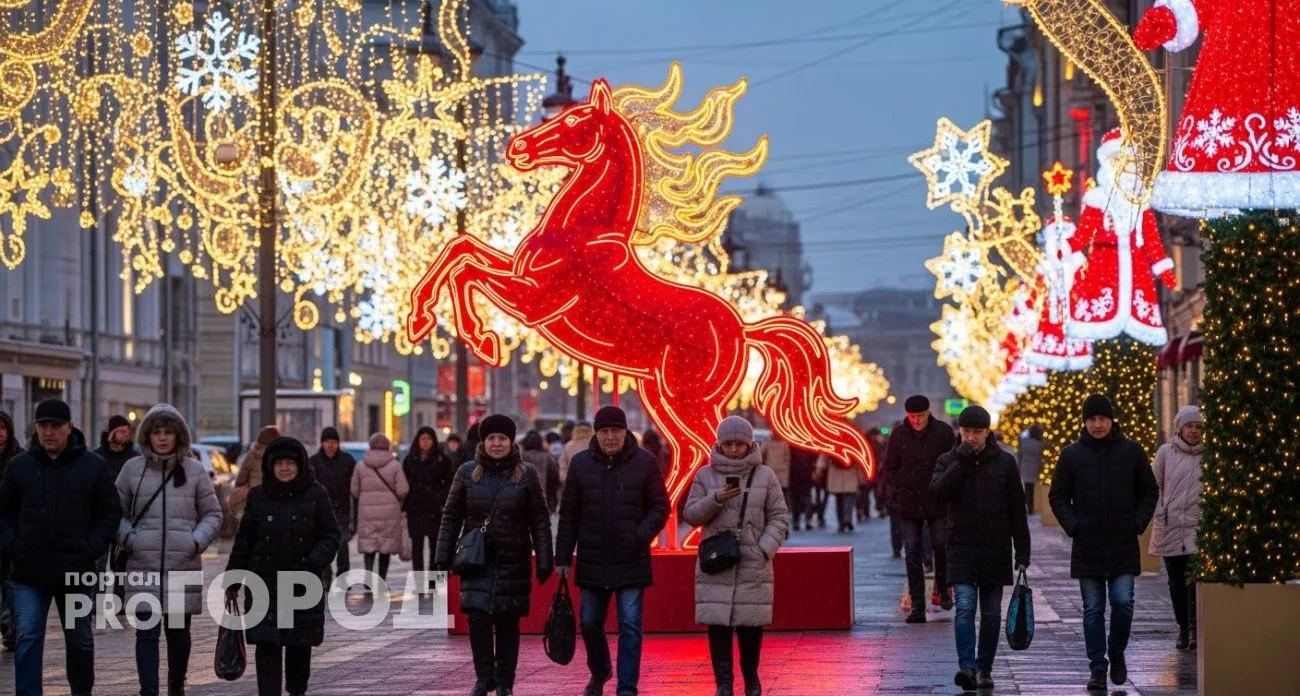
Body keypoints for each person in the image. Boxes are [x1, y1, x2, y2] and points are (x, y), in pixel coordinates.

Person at [0, 399, 122, 696]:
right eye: (43, 426)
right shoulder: (20, 467)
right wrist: (15, 547)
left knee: (80, 639)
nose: (49, 432)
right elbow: (3, 514)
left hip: (76, 570)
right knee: (27, 636)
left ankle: (81, 691)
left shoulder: (93, 466)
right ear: (36, 429)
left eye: (56, 426)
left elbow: (109, 513)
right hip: (28, 571)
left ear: (70, 427)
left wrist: (90, 547)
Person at [435, 414, 554, 696]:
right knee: (477, 619)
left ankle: (505, 682)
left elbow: (539, 518)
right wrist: (442, 554)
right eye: (491, 438)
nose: (496, 444)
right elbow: (451, 515)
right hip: (477, 559)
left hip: (513, 558)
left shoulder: (526, 474)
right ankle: (483, 677)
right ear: (483, 442)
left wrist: (545, 557)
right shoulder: (467, 472)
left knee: (507, 622)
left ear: (511, 442)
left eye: (502, 438)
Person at [556, 406, 670, 696]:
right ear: (596, 433)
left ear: (624, 431)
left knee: (630, 625)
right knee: (589, 622)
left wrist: (640, 535)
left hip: (631, 557)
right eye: (604, 431)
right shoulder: (580, 464)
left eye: (615, 431)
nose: (610, 437)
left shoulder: (645, 462)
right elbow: (569, 514)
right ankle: (600, 669)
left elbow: (660, 506)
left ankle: (627, 686)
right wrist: (563, 556)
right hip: (593, 556)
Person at [1050, 394, 1158, 692]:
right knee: (1093, 608)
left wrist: (1136, 522)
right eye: (1092, 419)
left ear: (1112, 421)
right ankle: (1097, 666)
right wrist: (1074, 526)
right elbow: (1057, 496)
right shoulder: (1071, 455)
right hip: (1088, 545)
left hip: (1122, 542)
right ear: (1085, 422)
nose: (1097, 425)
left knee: (1123, 602)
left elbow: (1149, 491)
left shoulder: (1132, 452)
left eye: (1103, 419)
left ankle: (1117, 649)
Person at [116, 404, 223, 696]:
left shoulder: (194, 470)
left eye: (168, 433)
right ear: (147, 436)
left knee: (178, 635)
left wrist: (195, 541)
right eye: (156, 432)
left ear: (179, 436)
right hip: (143, 564)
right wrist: (130, 539)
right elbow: (114, 512)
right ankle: (148, 690)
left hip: (182, 566)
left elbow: (213, 514)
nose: (162, 438)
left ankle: (176, 686)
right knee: (146, 634)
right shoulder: (131, 470)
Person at [226, 437, 341, 696]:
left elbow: (332, 534)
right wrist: (233, 579)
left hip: (302, 585)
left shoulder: (316, 494)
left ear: (300, 465)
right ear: (271, 466)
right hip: (263, 584)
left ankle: (296, 692)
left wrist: (313, 562)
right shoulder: (258, 496)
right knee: (267, 648)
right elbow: (244, 541)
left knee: (299, 650)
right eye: (279, 463)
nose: (285, 468)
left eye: (290, 463)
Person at [683, 416, 789, 696]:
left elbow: (779, 516)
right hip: (717, 560)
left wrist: (764, 548)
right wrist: (716, 498)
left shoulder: (764, 475)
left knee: (750, 625)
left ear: (749, 444)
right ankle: (724, 684)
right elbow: (691, 514)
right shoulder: (705, 476)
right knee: (718, 624)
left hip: (752, 562)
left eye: (738, 444)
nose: (732, 449)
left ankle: (751, 680)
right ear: (719, 443)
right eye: (727, 444)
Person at [930, 406, 1030, 692]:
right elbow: (937, 493)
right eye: (966, 432)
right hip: (961, 547)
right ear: (959, 431)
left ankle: (984, 668)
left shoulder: (1004, 463)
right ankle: (967, 667)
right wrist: (960, 463)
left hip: (995, 548)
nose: (971, 438)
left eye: (977, 432)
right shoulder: (948, 460)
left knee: (990, 614)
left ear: (988, 432)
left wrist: (1022, 551)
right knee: (964, 608)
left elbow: (1016, 509)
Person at [883, 395, 957, 621]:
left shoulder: (943, 432)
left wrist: (945, 486)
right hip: (908, 501)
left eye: (920, 416)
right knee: (912, 550)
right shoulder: (899, 434)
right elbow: (890, 466)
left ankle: (943, 589)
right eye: (912, 417)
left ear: (928, 413)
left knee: (941, 546)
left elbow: (954, 463)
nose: (916, 421)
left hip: (937, 499)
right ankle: (917, 605)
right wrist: (897, 487)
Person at [1149, 405, 1203, 651]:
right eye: (1189, 426)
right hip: (1170, 527)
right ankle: (1183, 626)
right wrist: (1160, 509)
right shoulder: (1165, 453)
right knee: (1175, 582)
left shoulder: (1207, 455)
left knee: (1194, 580)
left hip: (1196, 527)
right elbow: (1153, 485)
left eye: (1198, 426)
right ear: (1180, 428)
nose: (1194, 431)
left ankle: (1194, 630)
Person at [402, 426, 454, 595]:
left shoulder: (443, 460)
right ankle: (418, 585)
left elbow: (449, 483)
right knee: (417, 548)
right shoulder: (410, 460)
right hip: (415, 508)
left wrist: (440, 498)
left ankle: (432, 585)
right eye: (422, 439)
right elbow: (405, 484)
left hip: (434, 509)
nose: (425, 442)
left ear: (433, 441)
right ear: (418, 441)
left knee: (434, 548)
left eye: (428, 439)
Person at [351, 433, 408, 585]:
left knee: (368, 546)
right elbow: (403, 489)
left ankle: (369, 580)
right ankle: (381, 580)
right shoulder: (395, 465)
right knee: (385, 547)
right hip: (389, 512)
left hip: (366, 512)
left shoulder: (360, 466)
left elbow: (354, 490)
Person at [307, 427, 357, 584]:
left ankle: (343, 578)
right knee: (324, 545)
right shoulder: (313, 462)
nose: (330, 445)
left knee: (342, 545)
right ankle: (325, 577)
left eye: (334, 441)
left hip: (342, 509)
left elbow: (354, 488)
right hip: (320, 511)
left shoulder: (347, 461)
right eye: (328, 441)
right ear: (322, 443)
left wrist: (353, 516)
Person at [0, 410, 23, 652]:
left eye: (2, 428)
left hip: (13, 532)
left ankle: (11, 627)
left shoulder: (19, 460)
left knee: (10, 582)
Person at [228, 425, 282, 512]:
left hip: (255, 499)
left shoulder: (252, 455)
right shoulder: (282, 455)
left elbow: (241, 479)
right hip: (278, 500)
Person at [814, 451, 866, 533]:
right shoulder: (853, 440)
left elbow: (823, 457)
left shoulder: (832, 441)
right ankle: (847, 518)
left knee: (839, 499)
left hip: (835, 474)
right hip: (850, 473)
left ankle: (841, 521)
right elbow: (859, 458)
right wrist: (861, 477)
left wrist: (819, 471)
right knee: (849, 498)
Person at [520, 430, 562, 514]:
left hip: (521, 497)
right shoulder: (547, 457)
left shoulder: (521, 456)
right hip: (542, 498)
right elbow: (554, 480)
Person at [758, 433, 792, 521]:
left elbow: (760, 457)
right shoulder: (784, 444)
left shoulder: (767, 443)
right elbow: (787, 459)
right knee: (782, 497)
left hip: (771, 473)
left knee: (771, 497)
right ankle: (782, 515)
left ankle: (773, 515)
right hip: (781, 474)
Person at [786, 445, 816, 532]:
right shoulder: (808, 443)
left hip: (796, 475)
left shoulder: (791, 445)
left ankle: (798, 521)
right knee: (804, 499)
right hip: (803, 475)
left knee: (797, 500)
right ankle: (805, 521)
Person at [1018, 424, 1045, 514]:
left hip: (1025, 467)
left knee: (1027, 489)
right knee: (1033, 489)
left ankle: (1029, 508)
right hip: (1035, 468)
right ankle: (1032, 508)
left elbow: (1020, 454)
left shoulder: (1024, 442)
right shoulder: (1040, 443)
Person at [559, 421, 593, 486]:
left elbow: (562, 466)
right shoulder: (595, 444)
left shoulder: (569, 446)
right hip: (593, 483)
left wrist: (566, 481)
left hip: (573, 483)